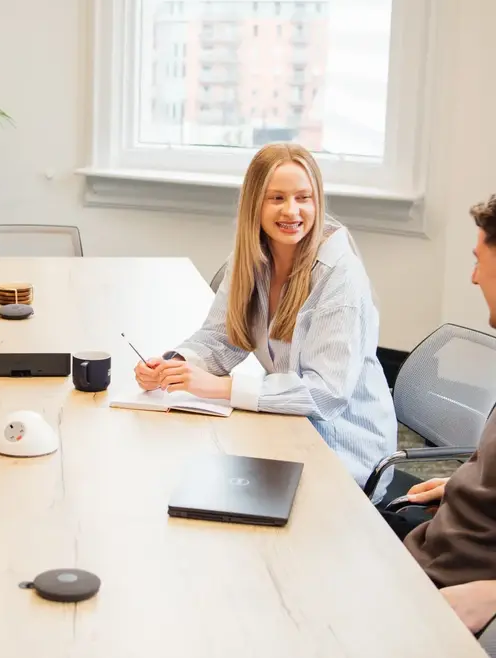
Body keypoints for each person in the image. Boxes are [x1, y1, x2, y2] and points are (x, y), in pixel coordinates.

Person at [133, 142, 397, 498]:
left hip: (343, 452)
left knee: (214, 491)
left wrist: (218, 387)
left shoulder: (339, 274)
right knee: (178, 475)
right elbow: (220, 339)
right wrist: (173, 366)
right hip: (287, 429)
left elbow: (326, 395)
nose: (292, 211)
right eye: (277, 198)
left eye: (304, 197)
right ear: (254, 203)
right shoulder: (251, 258)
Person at [393, 194, 496, 637]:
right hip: (428, 553)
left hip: (447, 592)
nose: (473, 278)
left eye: (479, 260)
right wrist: (464, 482)